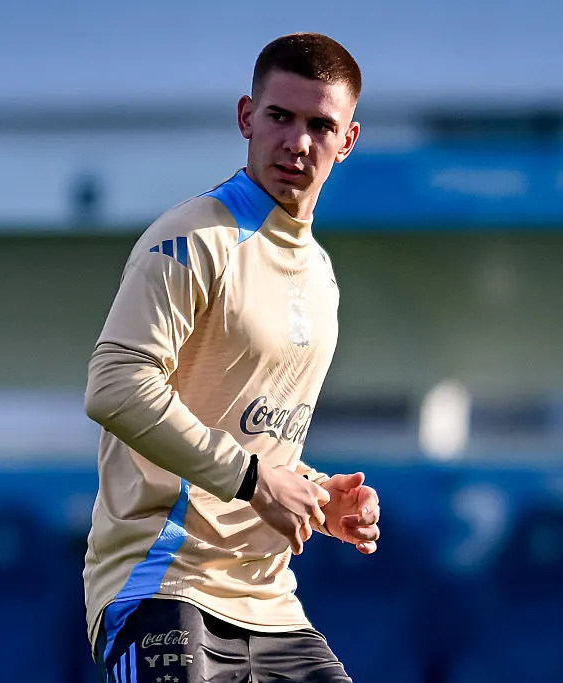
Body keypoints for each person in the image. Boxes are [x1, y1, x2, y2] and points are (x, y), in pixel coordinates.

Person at [83, 32, 380, 683]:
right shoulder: (191, 237)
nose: (297, 143)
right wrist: (253, 478)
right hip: (161, 589)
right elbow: (114, 385)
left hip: (271, 605)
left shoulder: (321, 279)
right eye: (280, 117)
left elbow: (252, 431)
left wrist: (315, 494)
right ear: (247, 117)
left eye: (319, 125)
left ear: (348, 141)